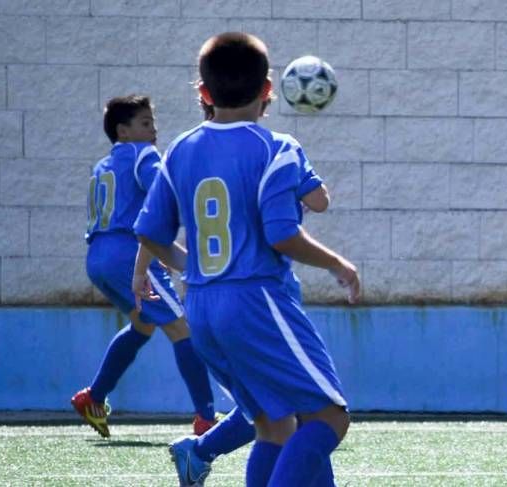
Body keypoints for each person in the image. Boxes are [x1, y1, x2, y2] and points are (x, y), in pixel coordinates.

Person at [133, 32, 360, 487]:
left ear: (204, 93)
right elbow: (282, 234)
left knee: (273, 426)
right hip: (257, 301)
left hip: (201, 306)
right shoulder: (276, 147)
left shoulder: (178, 149)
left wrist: (192, 268)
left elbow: (152, 233)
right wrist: (337, 264)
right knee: (331, 416)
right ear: (269, 90)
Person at [72, 95, 220, 438]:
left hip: (97, 259)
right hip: (127, 255)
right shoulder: (144, 154)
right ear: (123, 131)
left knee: (142, 326)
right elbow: (160, 194)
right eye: (144, 123)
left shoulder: (102, 166)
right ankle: (207, 417)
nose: (154, 130)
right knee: (184, 329)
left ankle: (94, 397)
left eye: (153, 122)